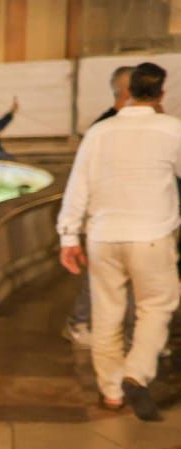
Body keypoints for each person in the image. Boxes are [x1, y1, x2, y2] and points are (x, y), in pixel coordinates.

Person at [57, 62, 181, 422]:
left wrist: (68, 236)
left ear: (126, 93)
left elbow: (77, 185)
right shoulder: (172, 129)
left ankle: (111, 393)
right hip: (151, 236)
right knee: (156, 307)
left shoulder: (100, 133)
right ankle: (135, 373)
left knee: (106, 314)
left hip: (102, 237)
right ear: (161, 93)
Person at [65, 66, 136, 347]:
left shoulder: (104, 127)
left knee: (117, 278)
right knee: (102, 277)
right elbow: (82, 180)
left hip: (120, 217)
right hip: (109, 218)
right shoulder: (105, 128)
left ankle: (130, 336)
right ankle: (80, 323)